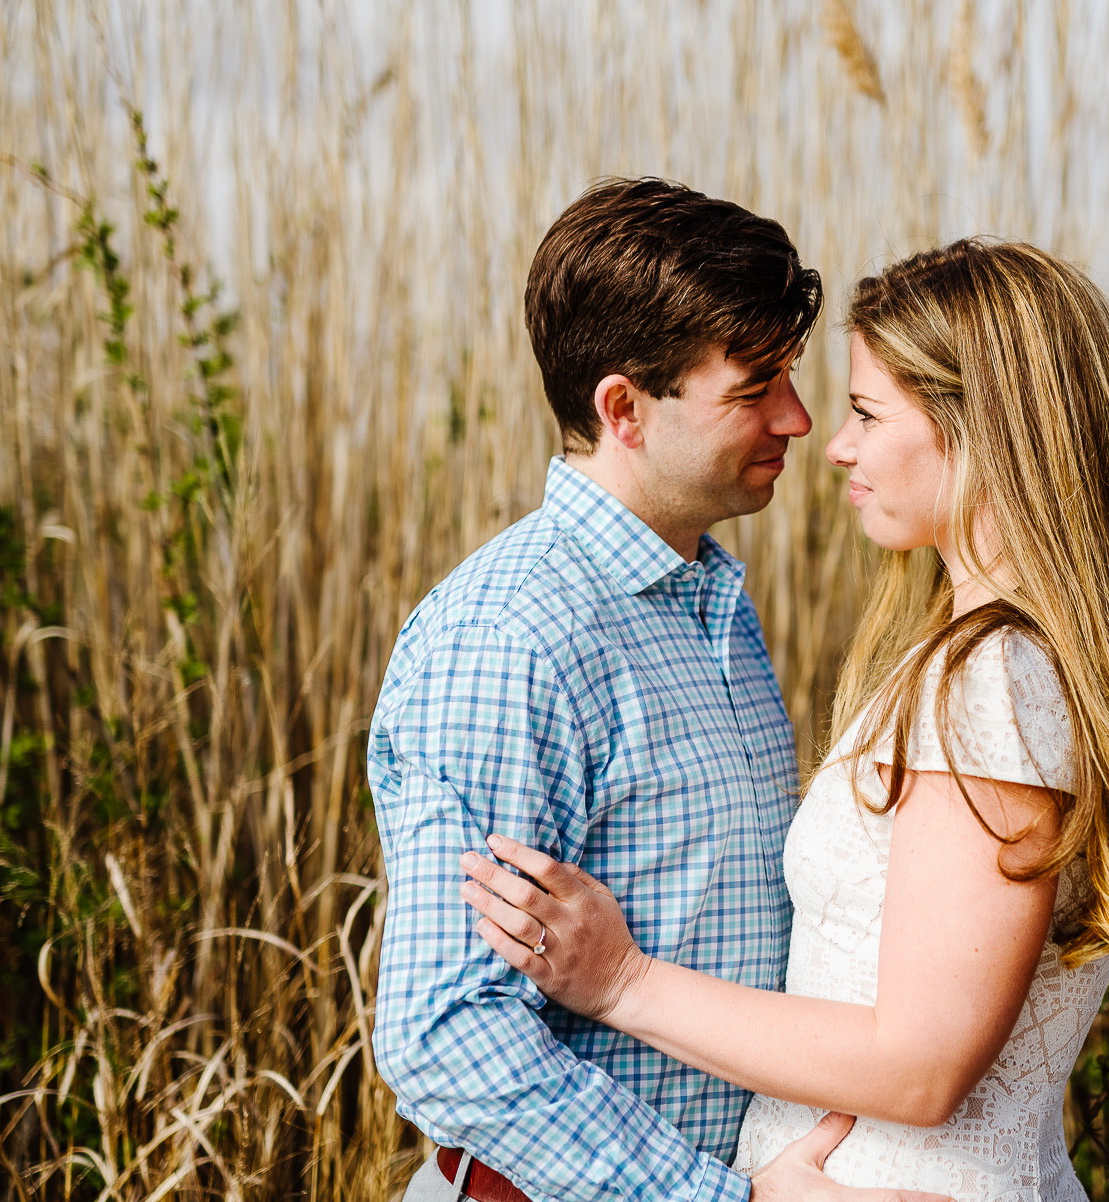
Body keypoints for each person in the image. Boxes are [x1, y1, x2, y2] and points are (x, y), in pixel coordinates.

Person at [462, 238, 1109, 1200]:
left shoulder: (992, 680)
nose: (835, 441)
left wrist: (622, 982)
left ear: (983, 433)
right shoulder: (992, 660)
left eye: (866, 412)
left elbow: (919, 1067)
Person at [371, 177, 945, 1202]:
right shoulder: (512, 638)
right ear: (624, 408)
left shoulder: (709, 602)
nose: (800, 418)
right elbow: (446, 1034)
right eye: (755, 385)